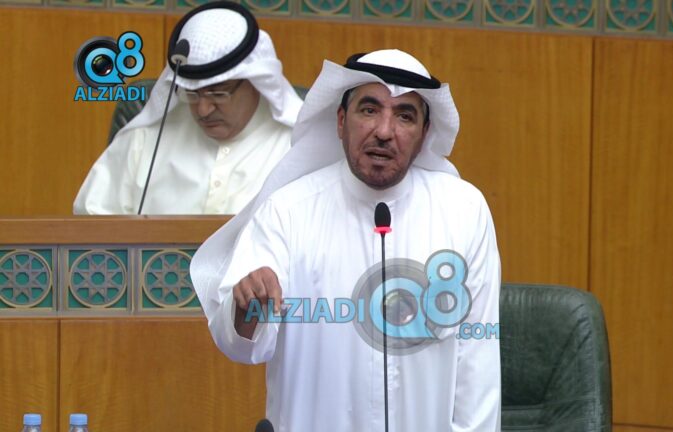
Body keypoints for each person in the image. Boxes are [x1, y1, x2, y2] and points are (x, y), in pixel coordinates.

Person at [191, 49, 501, 431]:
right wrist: (246, 309)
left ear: (424, 136)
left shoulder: (463, 210)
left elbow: (477, 361)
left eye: (404, 116)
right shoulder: (287, 211)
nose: (384, 131)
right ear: (340, 121)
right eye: (369, 110)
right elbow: (243, 346)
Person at [73, 1, 303, 215]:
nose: (203, 110)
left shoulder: (298, 148)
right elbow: (92, 223)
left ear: (255, 82)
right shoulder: (145, 139)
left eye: (218, 93)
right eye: (191, 94)